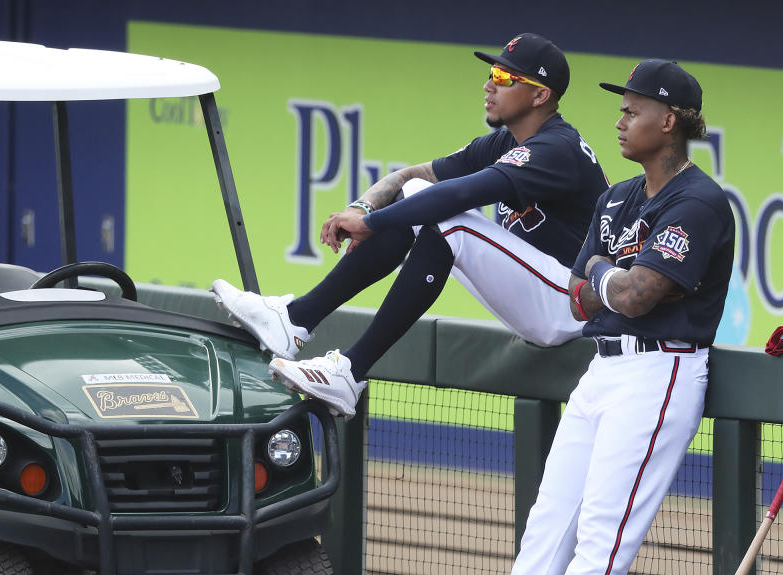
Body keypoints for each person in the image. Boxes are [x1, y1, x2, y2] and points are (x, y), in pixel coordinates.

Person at [400, 58, 735, 575]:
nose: (619, 119)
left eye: (632, 109)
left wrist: (611, 277)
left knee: (603, 535)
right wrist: (614, 277)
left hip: (660, 371)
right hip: (603, 369)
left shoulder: (699, 201)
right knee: (547, 524)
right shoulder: (617, 198)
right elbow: (581, 293)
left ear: (668, 122)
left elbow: (639, 297)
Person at [211, 32, 608, 417]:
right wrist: (363, 207)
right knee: (419, 193)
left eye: (504, 77)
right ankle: (295, 319)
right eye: (491, 73)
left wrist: (373, 222)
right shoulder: (505, 142)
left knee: (450, 222)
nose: (489, 84)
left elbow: (456, 197)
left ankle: (349, 371)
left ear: (540, 95)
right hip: (543, 290)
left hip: (572, 305)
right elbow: (414, 177)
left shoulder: (556, 148)